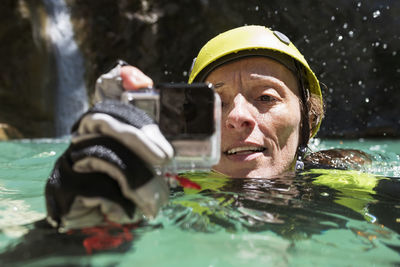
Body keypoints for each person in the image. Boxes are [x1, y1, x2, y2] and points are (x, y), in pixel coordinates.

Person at [44, 25, 366, 231]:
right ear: (188, 123)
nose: (238, 116)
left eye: (266, 97)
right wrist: (70, 217)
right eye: (214, 101)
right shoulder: (151, 191)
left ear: (308, 121)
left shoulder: (355, 191)